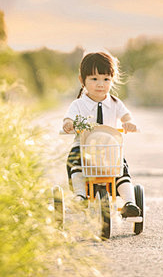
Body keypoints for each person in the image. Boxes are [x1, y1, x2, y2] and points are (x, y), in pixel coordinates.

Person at [62, 51, 141, 217]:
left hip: (109, 148)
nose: (100, 84)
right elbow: (68, 119)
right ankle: (80, 196)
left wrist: (129, 123)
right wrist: (69, 124)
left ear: (112, 80)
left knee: (121, 169)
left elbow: (126, 116)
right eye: (94, 79)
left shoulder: (114, 102)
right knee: (74, 161)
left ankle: (129, 202)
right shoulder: (78, 104)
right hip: (83, 147)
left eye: (106, 79)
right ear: (82, 80)